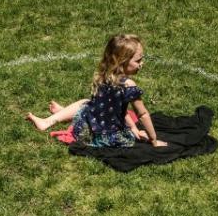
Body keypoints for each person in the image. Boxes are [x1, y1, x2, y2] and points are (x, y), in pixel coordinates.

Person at [26, 34, 168, 149]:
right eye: (138, 60)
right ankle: (48, 121)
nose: (141, 64)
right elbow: (142, 115)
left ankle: (64, 114)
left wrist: (134, 128)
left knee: (86, 104)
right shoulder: (128, 85)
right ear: (123, 61)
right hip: (109, 138)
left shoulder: (103, 76)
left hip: (87, 132)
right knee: (89, 105)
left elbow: (116, 110)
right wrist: (153, 140)